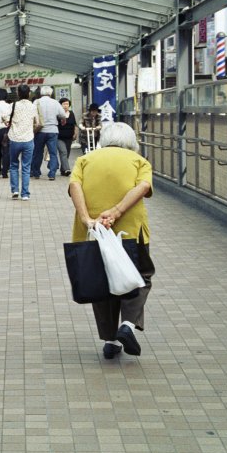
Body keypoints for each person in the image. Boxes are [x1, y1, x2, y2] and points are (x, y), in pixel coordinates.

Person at [68, 122, 155, 360]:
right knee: (140, 276)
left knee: (102, 282)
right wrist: (116, 212)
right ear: (131, 141)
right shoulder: (139, 161)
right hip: (130, 231)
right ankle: (127, 324)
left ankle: (110, 340)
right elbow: (144, 187)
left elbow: (74, 185)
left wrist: (87, 219)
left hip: (94, 232)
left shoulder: (86, 160)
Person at [5, 84, 40, 201]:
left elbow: (4, 118)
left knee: (14, 165)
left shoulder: (13, 105)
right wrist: (31, 130)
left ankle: (15, 190)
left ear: (18, 94)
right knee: (26, 167)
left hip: (14, 139)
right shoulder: (33, 106)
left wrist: (9, 122)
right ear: (29, 93)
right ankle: (25, 194)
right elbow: (38, 122)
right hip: (28, 139)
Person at [31, 85, 68, 181]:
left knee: (37, 152)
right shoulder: (55, 102)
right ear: (50, 93)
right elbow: (63, 115)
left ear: (41, 93)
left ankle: (36, 172)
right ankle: (52, 174)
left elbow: (32, 114)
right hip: (52, 130)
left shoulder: (36, 102)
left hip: (40, 131)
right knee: (53, 153)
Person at [57, 97, 77, 176]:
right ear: (60, 105)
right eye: (64, 104)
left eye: (67, 104)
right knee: (63, 152)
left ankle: (63, 170)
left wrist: (75, 133)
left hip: (69, 137)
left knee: (66, 154)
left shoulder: (71, 113)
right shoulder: (58, 114)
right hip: (59, 137)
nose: (66, 105)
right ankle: (67, 169)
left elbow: (74, 124)